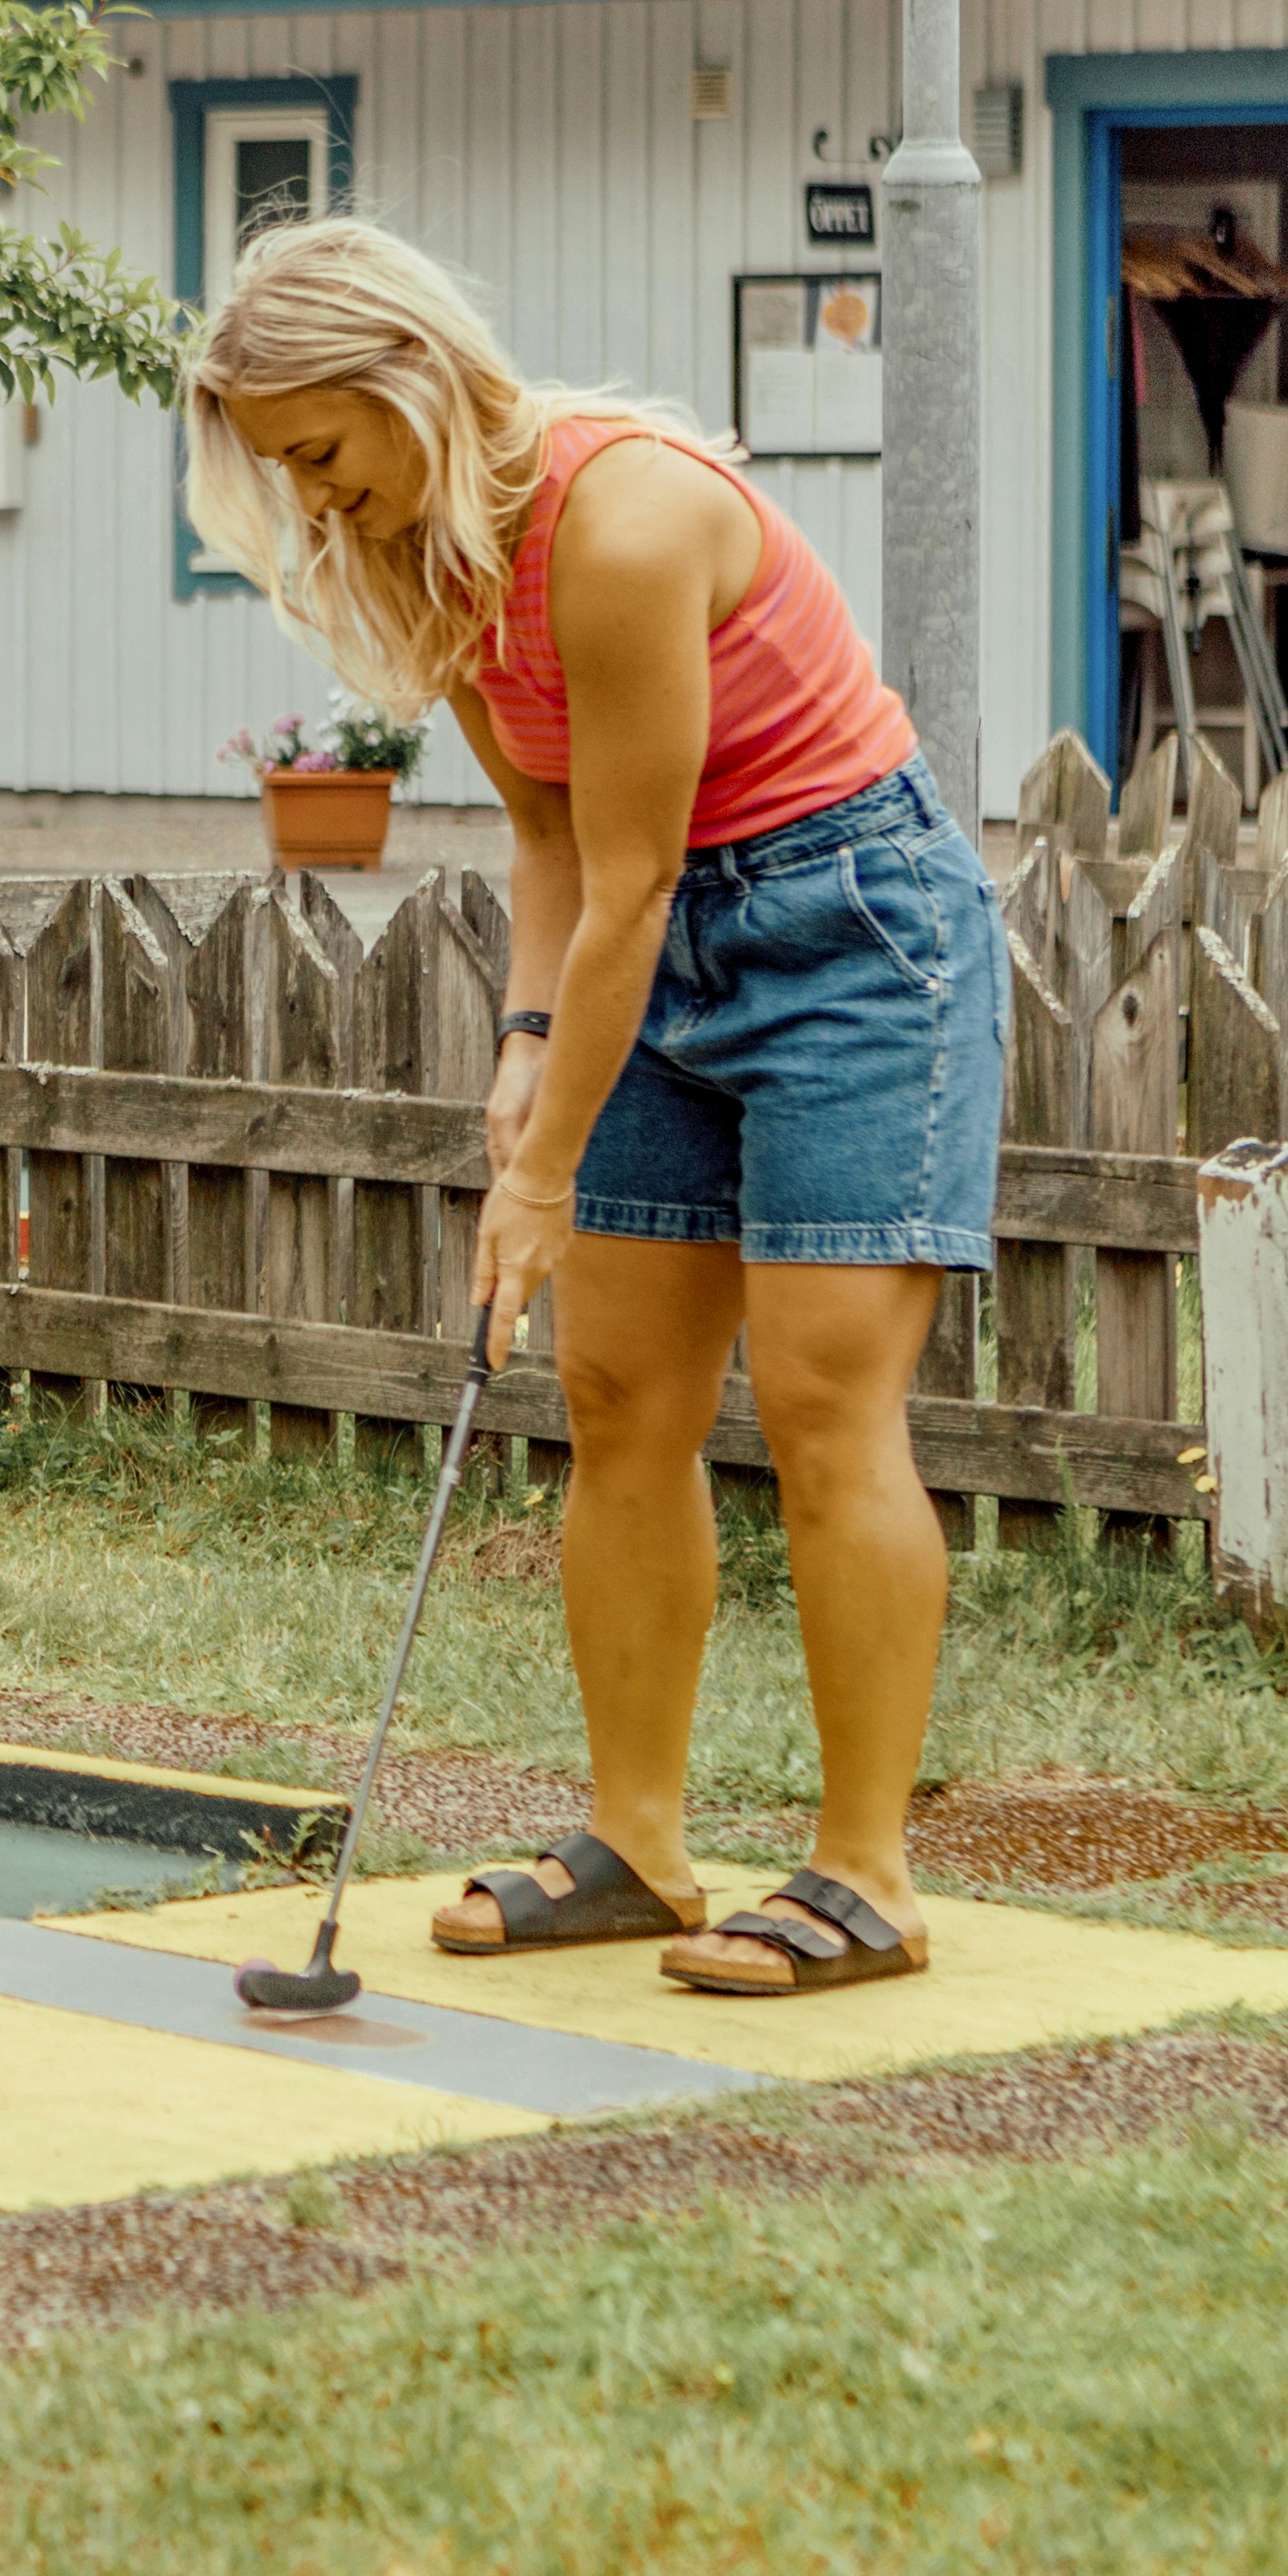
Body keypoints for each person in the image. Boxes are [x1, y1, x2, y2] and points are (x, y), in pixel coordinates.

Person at [185, 216, 1003, 1999]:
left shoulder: (621, 524)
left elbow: (637, 873)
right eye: (281, 474)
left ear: (407, 376)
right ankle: (639, 1845)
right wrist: (526, 1037)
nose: (316, 503)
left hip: (846, 927)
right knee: (622, 1388)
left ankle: (868, 1872)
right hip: (653, 940)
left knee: (817, 1396)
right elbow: (552, 838)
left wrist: (546, 1164)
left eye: (323, 453)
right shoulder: (444, 560)